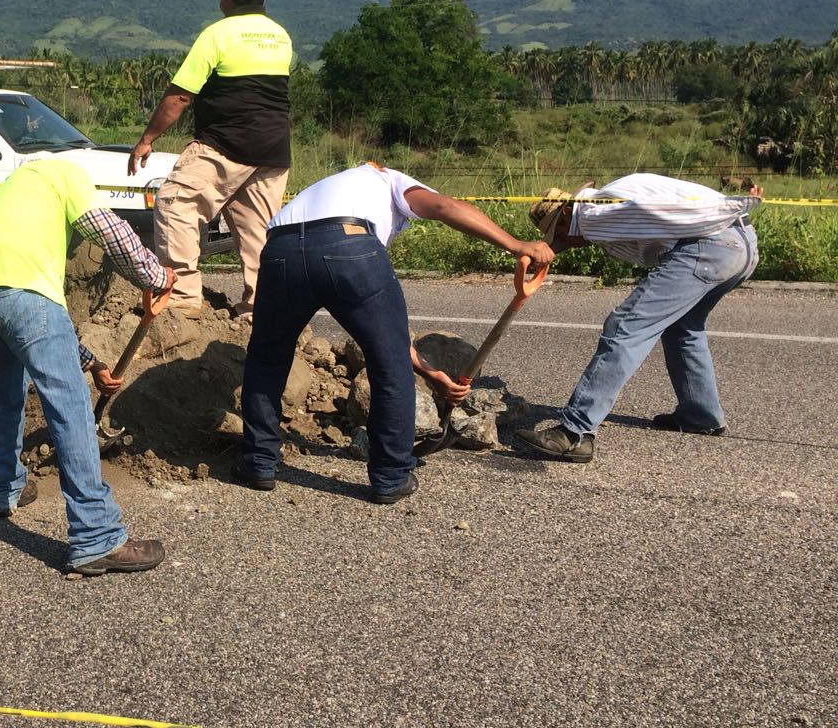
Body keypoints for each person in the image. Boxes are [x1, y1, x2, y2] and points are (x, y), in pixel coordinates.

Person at [237, 162, 555, 502]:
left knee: (267, 359)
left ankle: (259, 463)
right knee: (388, 367)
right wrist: (516, 245)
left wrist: (432, 374)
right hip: (349, 245)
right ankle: (390, 476)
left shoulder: (332, 187)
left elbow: (388, 335)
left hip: (278, 251)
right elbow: (445, 207)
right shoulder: (390, 180)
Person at [0, 157, 176, 576]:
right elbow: (109, 228)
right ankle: (96, 536)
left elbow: (27, 328)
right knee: (69, 404)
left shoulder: (7, 198)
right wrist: (154, 275)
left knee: (8, 392)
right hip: (15, 283)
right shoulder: (60, 173)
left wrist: (93, 363)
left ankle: (0, 489)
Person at [516, 174, 761, 463]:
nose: (565, 245)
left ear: (567, 214)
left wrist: (737, 204)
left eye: (558, 235)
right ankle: (701, 415)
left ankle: (574, 433)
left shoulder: (595, 213)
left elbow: (658, 212)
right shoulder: (607, 204)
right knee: (684, 329)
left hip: (707, 248)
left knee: (624, 327)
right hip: (740, 244)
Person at [127, 0, 293, 320]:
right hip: (273, 151)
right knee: (257, 230)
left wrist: (147, 139)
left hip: (226, 144)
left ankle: (183, 298)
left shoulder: (217, 35)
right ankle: (260, 307)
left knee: (174, 202)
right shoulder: (280, 37)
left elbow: (180, 96)